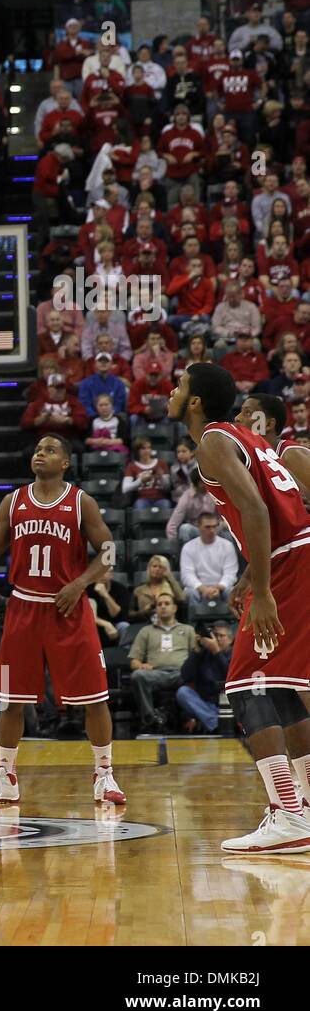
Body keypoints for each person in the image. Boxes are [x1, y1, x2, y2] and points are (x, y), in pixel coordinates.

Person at [166, 362, 310, 852]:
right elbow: (276, 511)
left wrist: (265, 590)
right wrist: (252, 576)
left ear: (197, 401)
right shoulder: (244, 438)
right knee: (283, 688)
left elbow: (255, 509)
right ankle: (305, 807)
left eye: (180, 385)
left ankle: (288, 813)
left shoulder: (210, 440)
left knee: (245, 687)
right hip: (294, 556)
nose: (172, 390)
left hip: (291, 564)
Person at [0, 434, 126, 806]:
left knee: (94, 696)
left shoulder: (81, 501)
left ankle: (104, 775)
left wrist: (81, 582)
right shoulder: (13, 500)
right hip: (24, 607)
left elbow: (110, 550)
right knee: (11, 699)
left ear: (65, 462)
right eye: (37, 449)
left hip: (69, 608)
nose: (40, 454)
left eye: (50, 450)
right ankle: (6, 777)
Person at [127, 593, 198, 731]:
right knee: (137, 675)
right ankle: (149, 719)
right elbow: (133, 661)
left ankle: (191, 718)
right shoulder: (146, 631)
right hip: (156, 673)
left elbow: (197, 655)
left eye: (167, 603)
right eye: (159, 604)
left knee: (197, 674)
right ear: (156, 610)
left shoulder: (187, 629)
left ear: (175, 608)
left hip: (180, 673)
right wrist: (141, 665)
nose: (163, 607)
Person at [178, 511, 240, 618]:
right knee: (190, 593)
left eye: (214, 526)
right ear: (199, 526)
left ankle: (233, 623)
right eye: (207, 527)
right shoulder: (188, 547)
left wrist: (219, 587)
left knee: (231, 591)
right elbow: (187, 575)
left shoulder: (227, 545)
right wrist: (203, 589)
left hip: (221, 587)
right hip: (198, 588)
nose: (212, 530)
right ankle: (195, 623)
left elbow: (230, 573)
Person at [177, 622, 233, 734]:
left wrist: (217, 652)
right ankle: (216, 724)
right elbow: (185, 676)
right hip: (205, 704)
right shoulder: (203, 654)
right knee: (183, 692)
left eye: (221, 636)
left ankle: (212, 722)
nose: (217, 639)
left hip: (229, 706)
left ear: (231, 640)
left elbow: (229, 676)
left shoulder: (234, 654)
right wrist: (196, 651)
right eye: (215, 636)